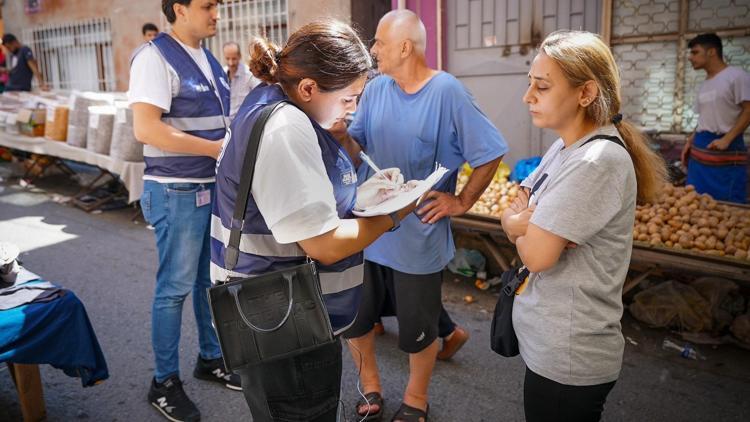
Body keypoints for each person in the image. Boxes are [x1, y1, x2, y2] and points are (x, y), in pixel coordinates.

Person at [211, 20, 415, 422]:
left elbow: (297, 200)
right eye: (349, 98)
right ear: (308, 89)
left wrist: (364, 193)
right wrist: (394, 213)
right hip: (287, 326)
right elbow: (324, 244)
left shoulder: (270, 100)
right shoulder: (286, 127)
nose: (352, 109)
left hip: (272, 313)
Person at [339, 10, 508, 422]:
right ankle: (371, 388)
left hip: (417, 237)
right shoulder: (377, 88)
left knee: (418, 328)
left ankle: (416, 400)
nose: (372, 49)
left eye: (378, 42)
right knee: (357, 319)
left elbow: (490, 150)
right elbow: (356, 145)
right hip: (366, 228)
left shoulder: (447, 92)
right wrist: (335, 131)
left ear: (404, 47)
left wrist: (461, 200)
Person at [501, 30, 666, 422]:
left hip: (570, 356)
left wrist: (518, 227)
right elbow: (516, 208)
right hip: (550, 342)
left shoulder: (595, 162)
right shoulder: (565, 147)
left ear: (586, 93)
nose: (528, 97)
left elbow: (539, 255)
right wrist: (519, 222)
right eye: (530, 85)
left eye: (541, 86)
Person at [128, 1, 239, 421]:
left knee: (202, 283)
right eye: (208, 5)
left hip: (207, 187)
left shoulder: (207, 58)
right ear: (179, 8)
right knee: (173, 287)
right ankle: (163, 382)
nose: (217, 14)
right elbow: (147, 128)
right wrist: (214, 150)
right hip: (175, 190)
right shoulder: (153, 57)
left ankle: (209, 359)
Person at [681, 33, 750, 203]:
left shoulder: (736, 76)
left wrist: (727, 139)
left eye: (695, 52)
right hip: (700, 150)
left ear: (711, 52)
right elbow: (704, 118)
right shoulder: (705, 83)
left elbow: (748, 110)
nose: (690, 58)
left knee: (726, 208)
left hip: (725, 150)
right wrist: (690, 141)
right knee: (695, 202)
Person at [222, 41, 260, 120]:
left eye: (234, 59)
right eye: (227, 58)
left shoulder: (249, 74)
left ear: (240, 56)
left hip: (244, 122)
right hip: (226, 124)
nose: (231, 63)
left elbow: (260, 96)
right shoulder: (221, 74)